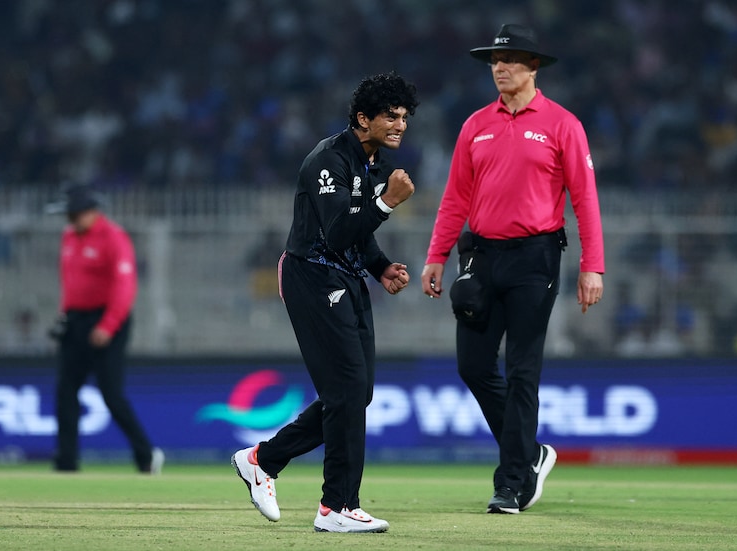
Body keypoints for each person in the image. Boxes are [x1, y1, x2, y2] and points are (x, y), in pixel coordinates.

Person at [421, 24, 605, 514]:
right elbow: (455, 197)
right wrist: (436, 255)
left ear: (534, 66)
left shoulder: (563, 124)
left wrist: (593, 266)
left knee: (523, 370)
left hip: (535, 259)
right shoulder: (475, 125)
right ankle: (530, 453)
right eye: (495, 61)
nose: (499, 67)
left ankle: (511, 483)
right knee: (473, 366)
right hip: (481, 257)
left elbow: (585, 199)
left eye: (510, 59)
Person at [231, 72, 419, 533]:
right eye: (390, 116)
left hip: (346, 277)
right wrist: (387, 203)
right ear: (363, 119)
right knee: (347, 392)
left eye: (404, 117)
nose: (400, 125)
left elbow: (357, 232)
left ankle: (263, 460)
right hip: (312, 277)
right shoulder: (328, 160)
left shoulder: (371, 162)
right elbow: (336, 233)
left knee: (356, 394)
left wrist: (380, 266)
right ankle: (337, 506)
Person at [46, 184, 164, 474]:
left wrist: (108, 324)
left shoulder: (113, 237)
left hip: (106, 321)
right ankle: (66, 462)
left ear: (90, 211)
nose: (69, 220)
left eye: (73, 214)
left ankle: (146, 455)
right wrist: (64, 315)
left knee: (111, 394)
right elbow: (70, 281)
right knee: (65, 392)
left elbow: (125, 286)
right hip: (75, 320)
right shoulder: (69, 236)